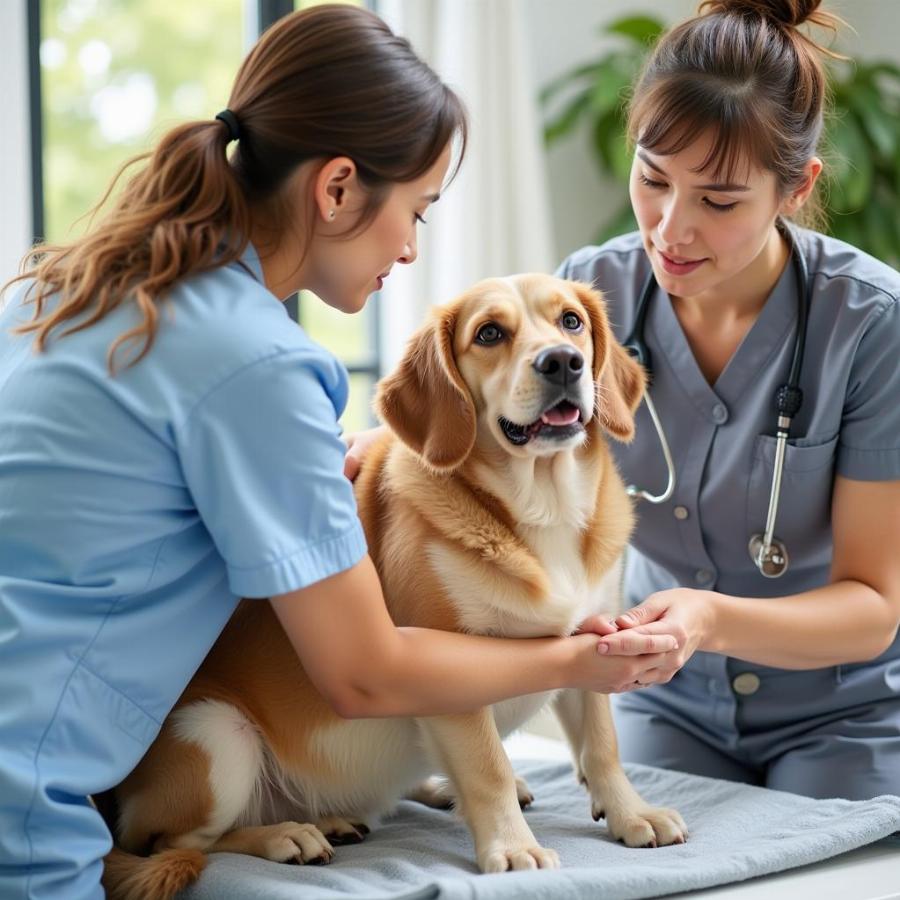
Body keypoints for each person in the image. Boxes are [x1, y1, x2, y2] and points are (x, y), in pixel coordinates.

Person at [0, 6, 679, 900]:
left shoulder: (68, 291)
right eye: (417, 210)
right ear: (337, 190)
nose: (409, 246)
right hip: (30, 813)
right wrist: (578, 659)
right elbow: (365, 674)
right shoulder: (258, 363)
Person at [553, 0, 900, 800]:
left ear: (794, 187)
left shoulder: (870, 324)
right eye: (651, 179)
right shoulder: (592, 288)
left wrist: (708, 619)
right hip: (662, 697)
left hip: (845, 710)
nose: (671, 229)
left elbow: (875, 606)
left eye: (718, 201)